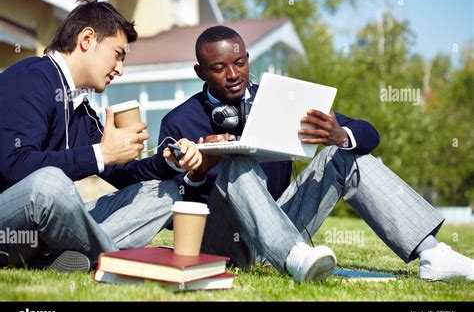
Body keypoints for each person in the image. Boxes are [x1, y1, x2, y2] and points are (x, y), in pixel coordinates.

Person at [158, 25, 473, 282]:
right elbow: (172, 215)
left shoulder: (278, 99)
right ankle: (294, 255)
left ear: (248, 59)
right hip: (223, 241)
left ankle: (433, 254)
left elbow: (369, 133)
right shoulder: (178, 121)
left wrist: (340, 135)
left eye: (240, 62)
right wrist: (198, 174)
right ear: (201, 72)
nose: (233, 74)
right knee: (237, 161)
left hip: (284, 225)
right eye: (219, 68)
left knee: (341, 155)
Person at [0, 0, 201, 272]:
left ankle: (57, 259)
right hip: (9, 225)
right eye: (118, 54)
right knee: (49, 184)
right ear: (87, 39)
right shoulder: (29, 78)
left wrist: (169, 161)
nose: (120, 69)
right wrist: (101, 153)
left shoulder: (81, 110)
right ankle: (112, 261)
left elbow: (123, 173)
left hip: (44, 233)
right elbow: (15, 166)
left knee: (165, 193)